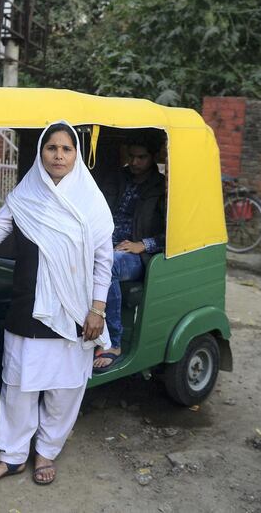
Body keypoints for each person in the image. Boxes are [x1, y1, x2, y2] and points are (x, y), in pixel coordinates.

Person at [0, 122, 114, 485]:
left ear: (76, 156)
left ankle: (46, 453)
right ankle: (12, 458)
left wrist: (97, 309)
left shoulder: (91, 203)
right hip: (28, 309)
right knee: (18, 388)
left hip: (75, 313)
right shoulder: (23, 197)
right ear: (41, 153)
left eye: (66, 149)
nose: (58, 155)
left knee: (64, 390)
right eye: (51, 148)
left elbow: (103, 261)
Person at [93, 133, 166, 372]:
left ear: (154, 157)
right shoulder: (118, 177)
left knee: (109, 264)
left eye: (141, 157)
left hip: (135, 256)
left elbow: (174, 234)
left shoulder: (162, 187)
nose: (134, 162)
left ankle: (113, 342)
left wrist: (143, 244)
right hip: (102, 243)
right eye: (131, 156)